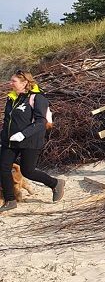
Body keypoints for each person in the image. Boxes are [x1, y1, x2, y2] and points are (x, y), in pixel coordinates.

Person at [0, 71, 64, 212]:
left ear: (24, 83)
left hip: (30, 140)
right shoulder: (12, 98)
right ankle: (10, 200)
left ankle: (55, 183)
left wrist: (23, 134)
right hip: (10, 141)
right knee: (3, 168)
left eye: (13, 81)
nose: (10, 83)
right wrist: (3, 137)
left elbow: (41, 122)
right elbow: (7, 122)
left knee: (28, 171)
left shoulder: (37, 98)